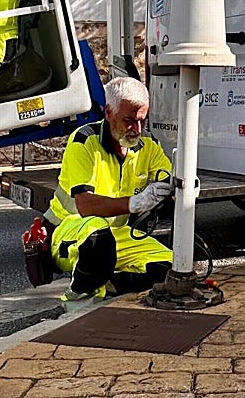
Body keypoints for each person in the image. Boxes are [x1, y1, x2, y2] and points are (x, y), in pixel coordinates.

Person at [43, 76, 174, 300]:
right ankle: (77, 296)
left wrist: (178, 185)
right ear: (108, 113)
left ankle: (108, 286)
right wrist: (134, 203)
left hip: (116, 234)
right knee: (98, 235)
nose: (137, 129)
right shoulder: (84, 141)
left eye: (142, 120)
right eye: (129, 120)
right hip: (70, 232)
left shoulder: (148, 146)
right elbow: (85, 206)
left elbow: (167, 176)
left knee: (172, 268)